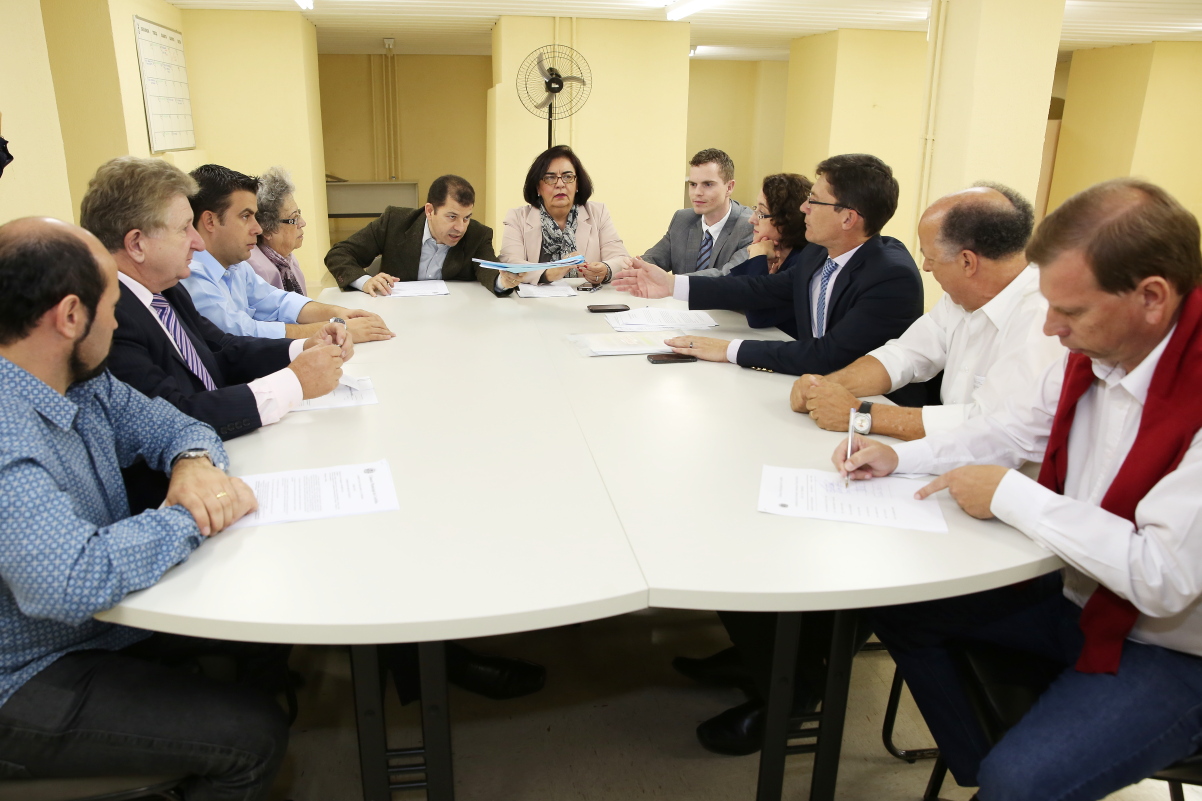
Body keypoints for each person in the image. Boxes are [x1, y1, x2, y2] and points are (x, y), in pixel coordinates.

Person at [839, 178, 1202, 801]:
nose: (1052, 328)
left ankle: (1011, 782)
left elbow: (1162, 578)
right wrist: (898, 457)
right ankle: (990, 773)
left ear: (1151, 297)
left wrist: (1011, 494)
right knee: (893, 606)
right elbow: (1008, 431)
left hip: (1172, 649)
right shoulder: (1099, 347)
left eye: (1072, 311)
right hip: (1077, 597)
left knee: (1021, 780)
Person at [0, 217, 287, 800]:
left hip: (99, 624)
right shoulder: (8, 432)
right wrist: (194, 515)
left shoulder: (82, 380)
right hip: (27, 674)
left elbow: (181, 425)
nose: (119, 319)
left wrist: (190, 464)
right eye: (111, 304)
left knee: (268, 625)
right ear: (71, 316)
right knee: (252, 735)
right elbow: (70, 581)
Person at [80, 157, 349, 510]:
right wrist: (294, 383)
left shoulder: (165, 289)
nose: (198, 242)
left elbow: (223, 349)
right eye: (184, 229)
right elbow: (173, 413)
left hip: (226, 452)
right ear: (136, 244)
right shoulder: (110, 319)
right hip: (179, 496)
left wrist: (301, 348)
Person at [792, 182, 1064, 441]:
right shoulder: (959, 300)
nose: (926, 268)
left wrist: (862, 415)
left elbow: (993, 425)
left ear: (967, 262)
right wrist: (827, 387)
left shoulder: (1043, 319)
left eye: (931, 258)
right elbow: (905, 354)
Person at [613, 153, 923, 376]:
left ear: (848, 217)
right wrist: (671, 285)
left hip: (871, 407)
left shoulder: (890, 277)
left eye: (813, 201)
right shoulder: (819, 254)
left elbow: (829, 356)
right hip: (811, 383)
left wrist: (728, 350)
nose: (804, 208)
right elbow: (760, 289)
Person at [181, 164, 393, 342]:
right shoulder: (192, 275)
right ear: (210, 221)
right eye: (246, 216)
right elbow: (243, 333)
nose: (257, 229)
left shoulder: (234, 264)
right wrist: (335, 329)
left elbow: (278, 302)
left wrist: (339, 313)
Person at [323, 175, 505, 297]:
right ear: (429, 210)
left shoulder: (478, 234)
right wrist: (365, 281)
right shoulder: (394, 222)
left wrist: (503, 281)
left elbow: (489, 269)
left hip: (452, 321)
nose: (460, 227)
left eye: (466, 218)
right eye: (451, 217)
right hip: (398, 318)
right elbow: (339, 254)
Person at [499, 145, 631, 289]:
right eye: (550, 178)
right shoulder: (518, 217)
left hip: (586, 302)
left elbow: (622, 259)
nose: (560, 184)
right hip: (533, 303)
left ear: (577, 184)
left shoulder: (598, 213)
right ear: (538, 187)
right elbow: (510, 263)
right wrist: (548, 273)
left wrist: (606, 269)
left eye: (568, 177)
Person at [641, 148, 755, 277]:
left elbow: (728, 275)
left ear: (729, 187)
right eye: (693, 184)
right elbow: (652, 260)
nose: (697, 193)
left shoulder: (750, 224)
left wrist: (671, 282)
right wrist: (632, 268)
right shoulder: (682, 219)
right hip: (679, 298)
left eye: (708, 184)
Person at [728, 172, 813, 337]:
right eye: (755, 210)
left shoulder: (802, 261)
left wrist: (757, 255)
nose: (752, 219)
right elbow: (731, 290)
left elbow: (758, 317)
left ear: (787, 219)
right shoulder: (777, 253)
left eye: (761, 212)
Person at [248, 166, 308, 294]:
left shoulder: (286, 259)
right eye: (294, 218)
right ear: (267, 229)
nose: (303, 223)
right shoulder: (256, 270)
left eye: (299, 214)